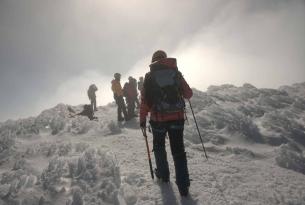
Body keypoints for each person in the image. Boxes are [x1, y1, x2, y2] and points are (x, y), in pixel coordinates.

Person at [140, 50, 193, 197]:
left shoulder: (150, 76)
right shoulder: (175, 72)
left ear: (153, 60)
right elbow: (188, 94)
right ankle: (183, 186)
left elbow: (144, 101)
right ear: (165, 58)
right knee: (178, 151)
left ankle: (163, 175)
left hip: (158, 119)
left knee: (159, 147)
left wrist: (142, 119)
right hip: (177, 118)